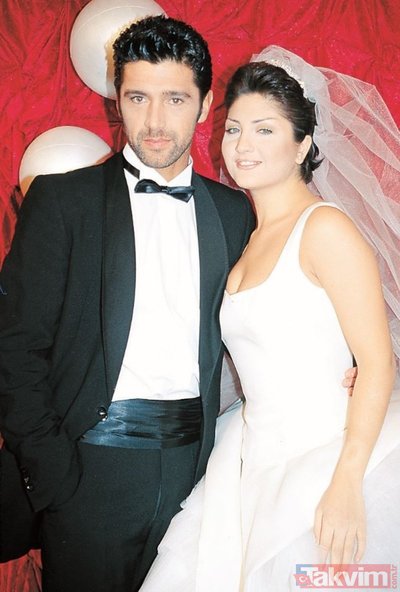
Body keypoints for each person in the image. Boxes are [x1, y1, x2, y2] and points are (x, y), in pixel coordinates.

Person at [0, 15, 258, 592]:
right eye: (138, 97)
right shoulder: (62, 201)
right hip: (88, 471)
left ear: (205, 105)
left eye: (175, 99)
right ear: (117, 99)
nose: (155, 121)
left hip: (197, 473)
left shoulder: (233, 212)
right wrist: (53, 471)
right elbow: (14, 347)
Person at [138, 48, 400, 592]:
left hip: (326, 459)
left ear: (302, 145)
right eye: (234, 129)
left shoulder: (325, 228)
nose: (242, 146)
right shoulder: (249, 237)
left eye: (265, 130)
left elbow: (378, 362)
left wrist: (347, 481)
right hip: (251, 458)